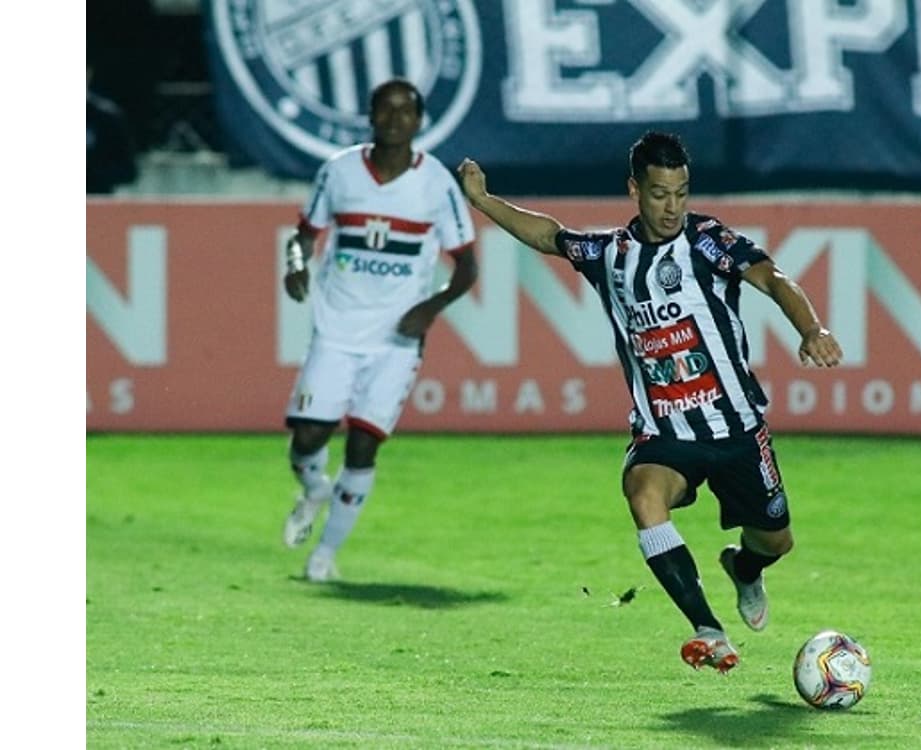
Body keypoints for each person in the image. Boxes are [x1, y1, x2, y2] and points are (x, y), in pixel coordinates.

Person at [457, 132, 842, 673]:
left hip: (735, 427)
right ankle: (709, 629)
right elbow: (550, 237)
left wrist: (811, 328)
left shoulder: (708, 242)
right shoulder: (611, 255)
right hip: (665, 431)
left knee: (775, 540)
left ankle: (745, 570)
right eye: (661, 194)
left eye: (682, 193)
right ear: (635, 189)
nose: (673, 207)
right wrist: (483, 202)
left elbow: (774, 279)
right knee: (642, 492)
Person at [280, 79, 478, 582]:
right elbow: (303, 236)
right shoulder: (340, 171)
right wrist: (296, 263)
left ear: (419, 120)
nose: (394, 119)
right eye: (385, 110)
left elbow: (468, 267)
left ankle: (324, 556)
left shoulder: (435, 182)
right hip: (337, 331)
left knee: (363, 445)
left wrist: (430, 307)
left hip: (396, 339)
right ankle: (313, 489)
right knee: (308, 438)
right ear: (369, 116)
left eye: (405, 111)